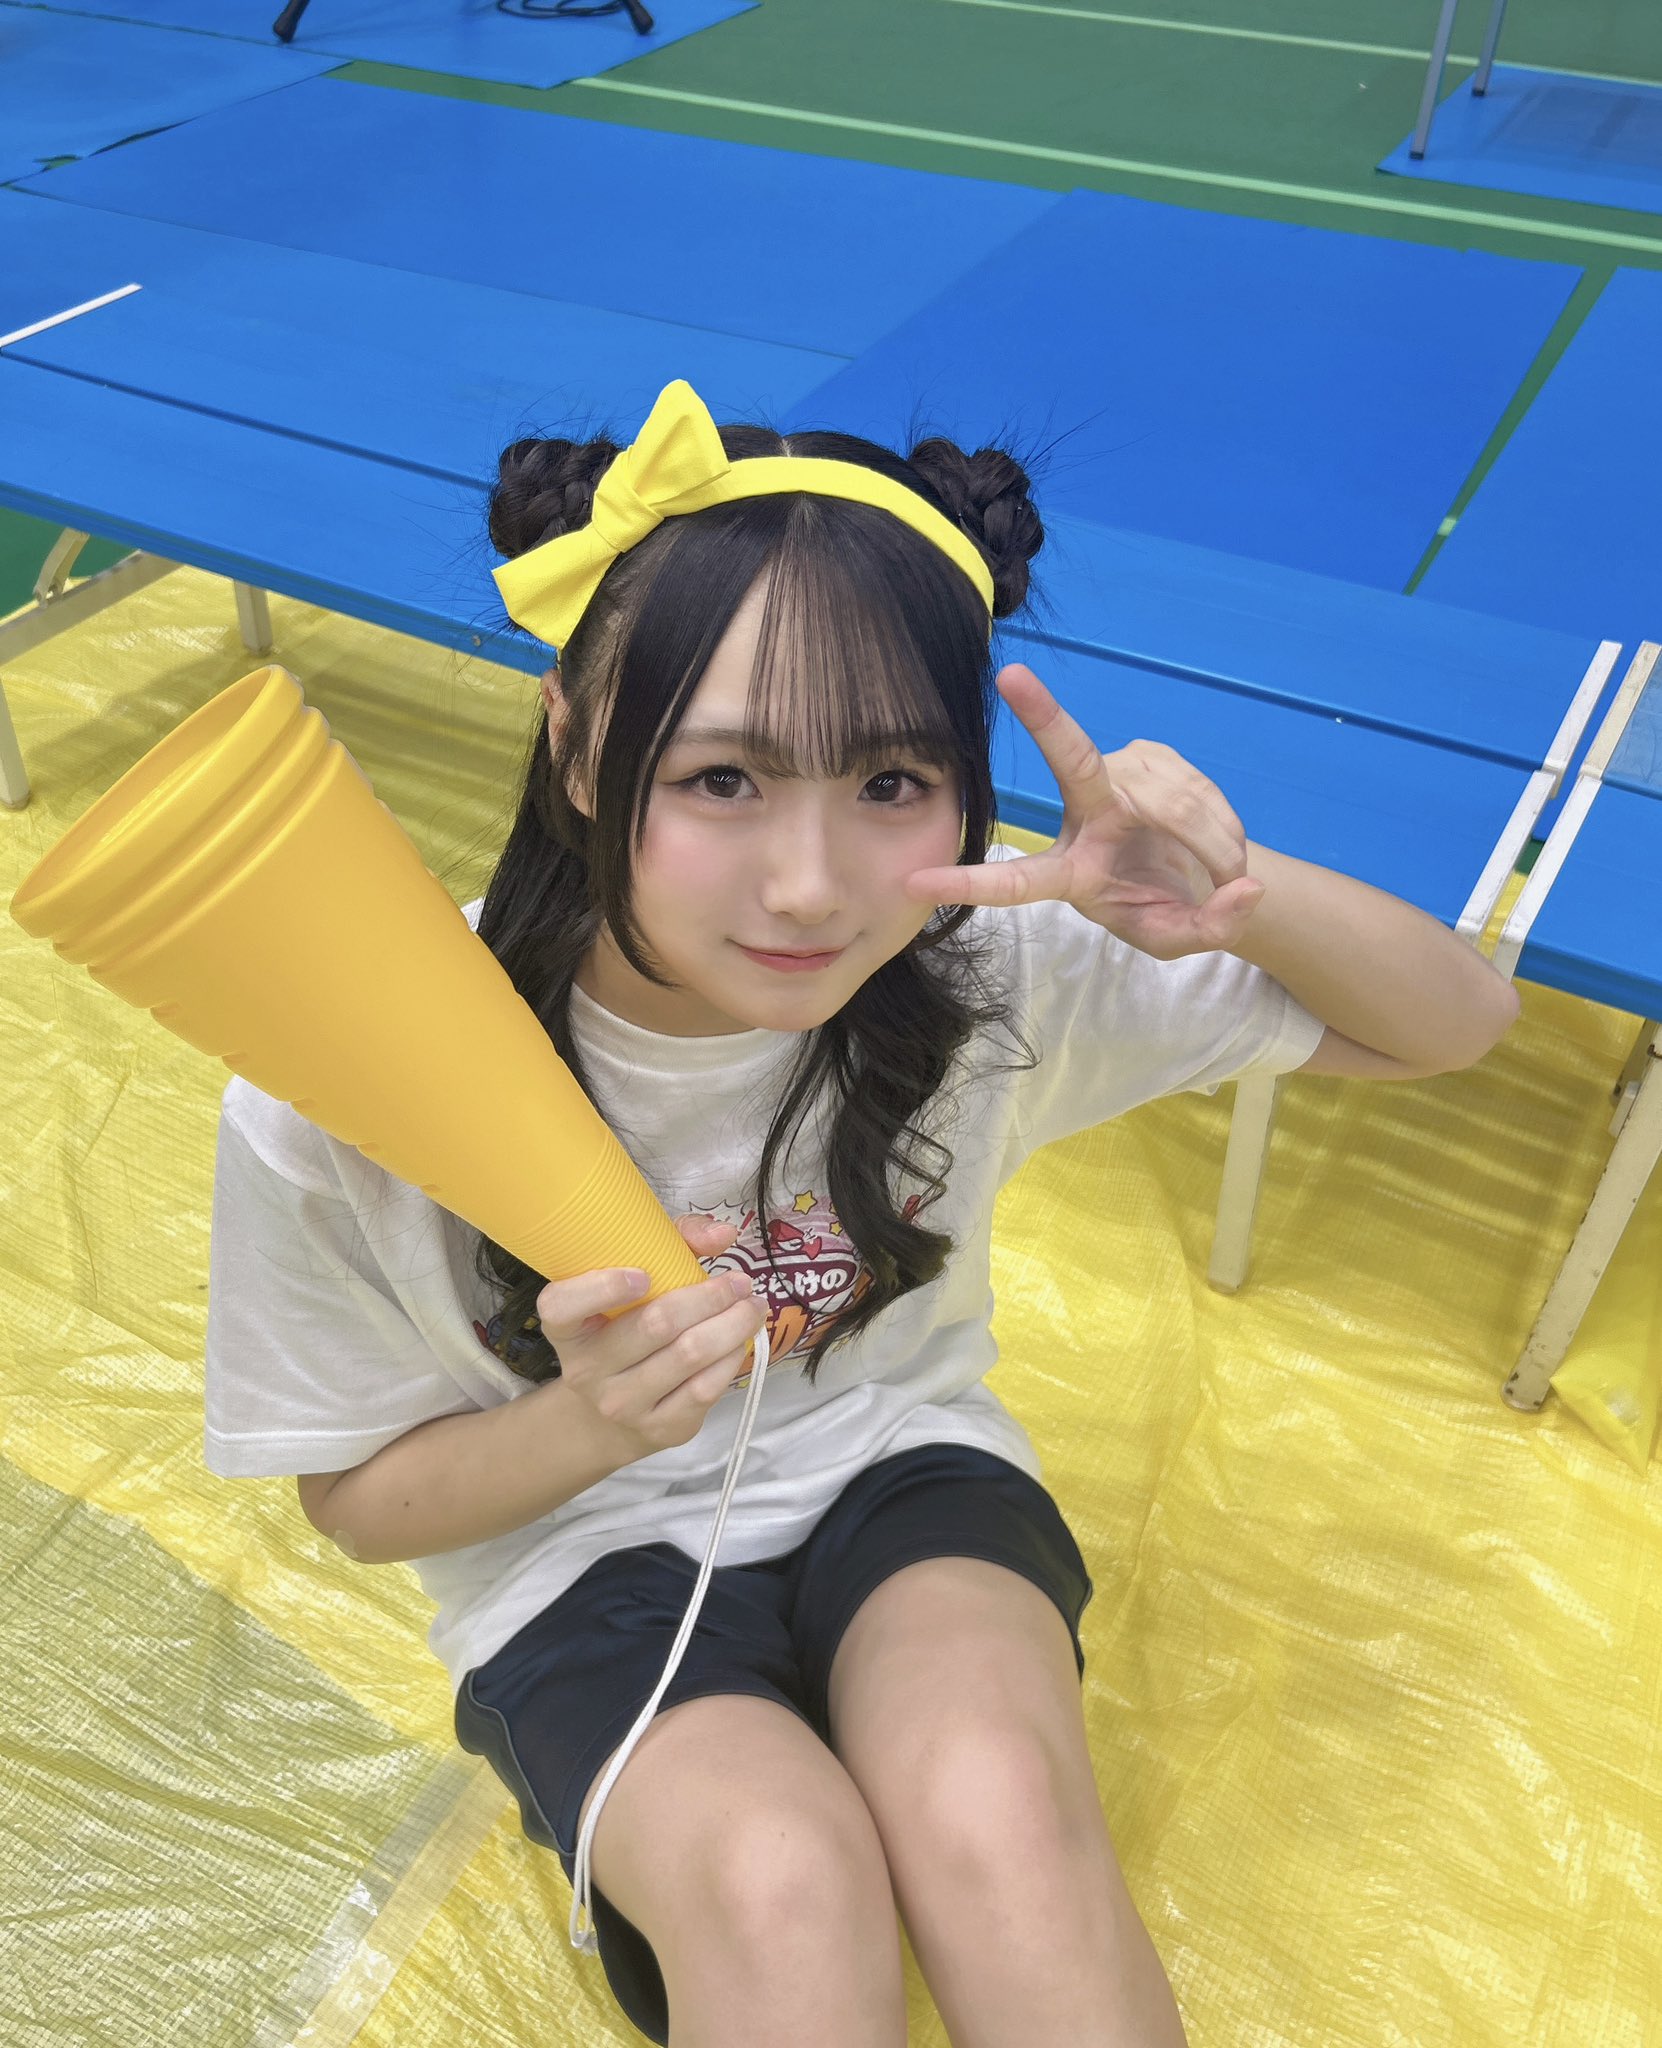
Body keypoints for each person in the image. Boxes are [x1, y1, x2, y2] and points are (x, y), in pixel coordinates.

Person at [202, 379, 1521, 2048]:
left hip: (899, 1472)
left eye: (893, 779)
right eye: (722, 779)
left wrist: (1232, 905)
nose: (812, 884)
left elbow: (1453, 1025)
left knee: (993, 1810)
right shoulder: (362, 1068)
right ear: (577, 744)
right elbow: (356, 1503)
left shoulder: (978, 970)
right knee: (783, 1882)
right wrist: (587, 1424)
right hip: (569, 1555)